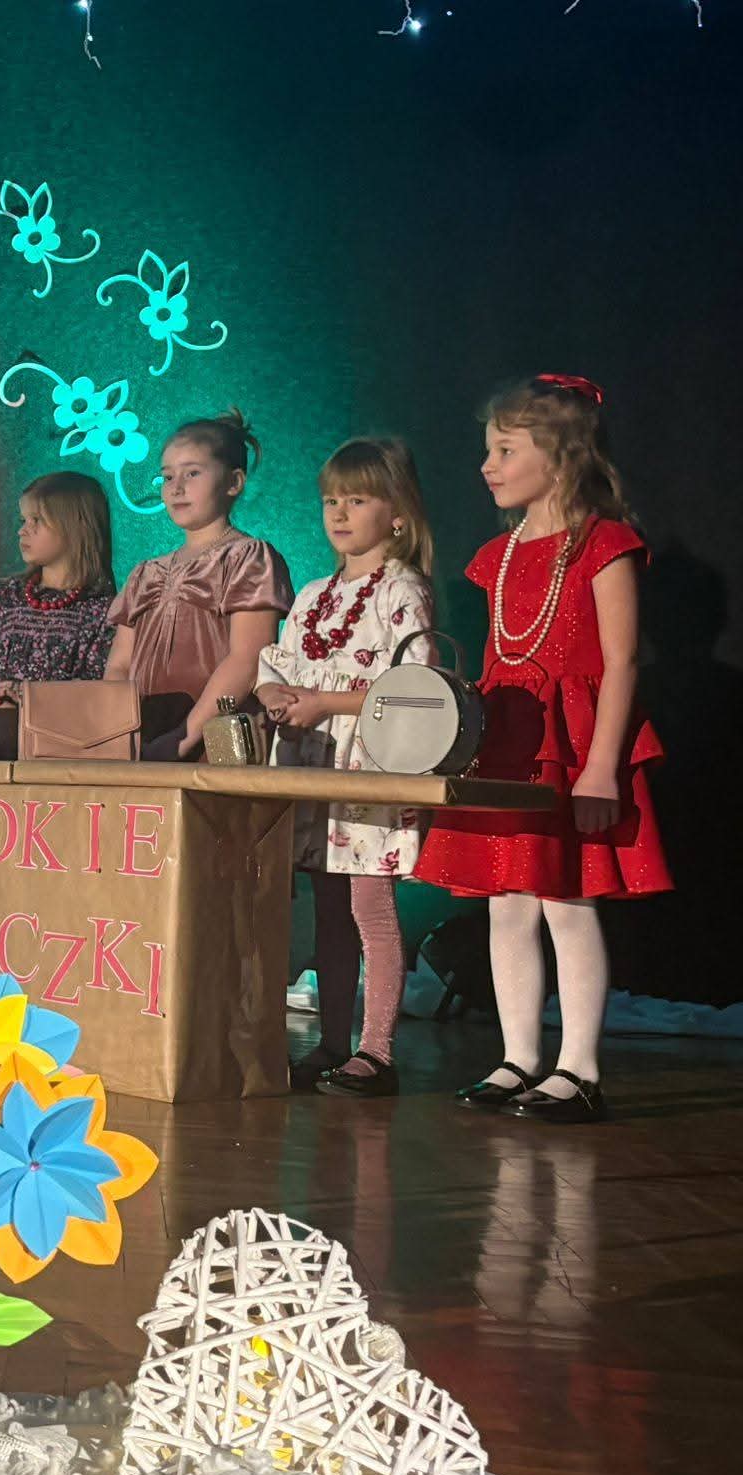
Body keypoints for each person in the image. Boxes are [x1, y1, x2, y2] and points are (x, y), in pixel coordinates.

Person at [415, 376, 669, 1124]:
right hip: (512, 744)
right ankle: (517, 1055)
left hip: (574, 745)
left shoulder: (603, 544)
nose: (487, 465)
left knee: (567, 901)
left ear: (560, 457)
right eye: (487, 450)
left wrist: (601, 769)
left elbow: (621, 662)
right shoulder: (496, 556)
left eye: (505, 450)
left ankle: (579, 1068)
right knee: (507, 903)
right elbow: (502, 660)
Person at [256, 439, 437, 1096]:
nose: (338, 512)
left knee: (369, 906)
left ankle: (377, 1050)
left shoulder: (402, 591)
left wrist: (325, 703)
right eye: (332, 499)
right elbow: (278, 664)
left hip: (368, 767)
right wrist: (273, 694)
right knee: (330, 910)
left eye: (356, 499)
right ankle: (332, 1042)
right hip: (314, 764)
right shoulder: (313, 595)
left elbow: (414, 687)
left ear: (397, 514)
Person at [104, 410, 293, 758]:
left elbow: (247, 658)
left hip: (216, 741)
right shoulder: (146, 573)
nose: (176, 487)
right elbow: (119, 665)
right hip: (142, 741)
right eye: (167, 476)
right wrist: (119, 734)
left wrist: (185, 737)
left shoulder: (247, 558)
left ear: (234, 482)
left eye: (192, 473)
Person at [0, 471, 117, 720]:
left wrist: (32, 701)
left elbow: (97, 689)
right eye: (23, 520)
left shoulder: (104, 611)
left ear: (75, 526)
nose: (22, 531)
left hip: (61, 735)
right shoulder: (4, 597)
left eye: (36, 520)